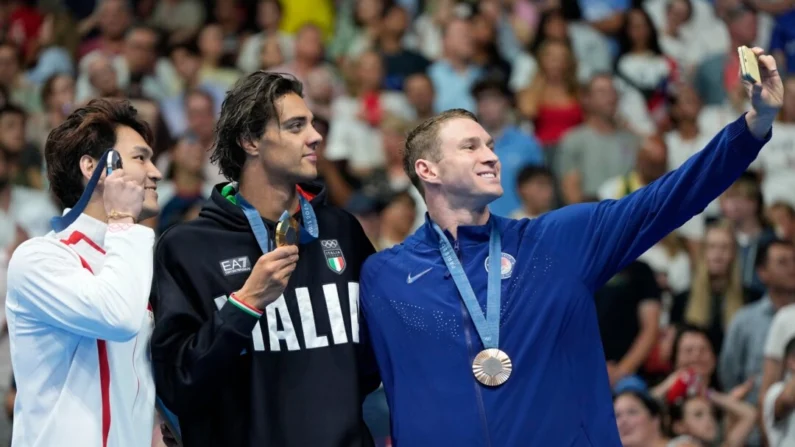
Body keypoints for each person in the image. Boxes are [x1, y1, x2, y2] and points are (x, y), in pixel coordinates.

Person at [357, 47, 784, 444]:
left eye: (490, 144)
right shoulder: (385, 275)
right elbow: (342, 378)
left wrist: (754, 126)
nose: (491, 155)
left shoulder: (558, 241)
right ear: (426, 169)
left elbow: (668, 199)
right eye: (470, 146)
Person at [150, 72, 380, 446]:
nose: (315, 135)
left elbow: (369, 364)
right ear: (250, 140)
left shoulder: (341, 230)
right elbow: (178, 385)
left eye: (311, 124)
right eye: (295, 126)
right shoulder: (187, 247)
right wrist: (245, 305)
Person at [4, 98, 162, 446]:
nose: (156, 172)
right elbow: (116, 317)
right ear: (93, 166)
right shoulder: (39, 258)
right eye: (140, 157)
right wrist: (122, 219)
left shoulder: (133, 253)